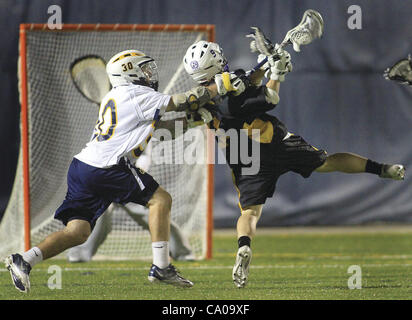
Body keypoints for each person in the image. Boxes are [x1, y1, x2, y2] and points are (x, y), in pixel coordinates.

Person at [183, 40, 405, 288]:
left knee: (249, 212)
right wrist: (277, 72)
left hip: (245, 160)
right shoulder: (228, 101)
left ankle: (244, 245)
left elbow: (242, 83)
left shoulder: (204, 97)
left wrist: (267, 61)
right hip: (274, 143)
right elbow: (270, 97)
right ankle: (382, 169)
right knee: (328, 162)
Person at [4, 49, 220, 292]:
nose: (150, 74)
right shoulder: (136, 92)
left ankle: (25, 260)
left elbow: (161, 129)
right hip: (107, 167)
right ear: (130, 73)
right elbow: (186, 100)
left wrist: (194, 121)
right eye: (145, 69)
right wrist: (221, 84)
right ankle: (161, 267)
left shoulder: (120, 95)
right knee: (160, 200)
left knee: (77, 231)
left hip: (83, 167)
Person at [67, 142, 195, 263]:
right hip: (104, 177)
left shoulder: (141, 125)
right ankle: (79, 254)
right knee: (97, 214)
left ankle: (182, 252)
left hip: (128, 178)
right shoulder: (110, 124)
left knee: (152, 212)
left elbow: (144, 156)